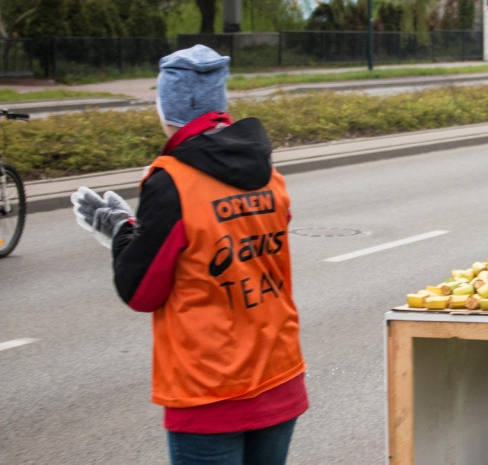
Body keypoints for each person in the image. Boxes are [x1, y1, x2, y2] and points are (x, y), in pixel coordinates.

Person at [70, 45, 309, 465]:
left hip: (209, 392)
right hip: (280, 374)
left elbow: (141, 290)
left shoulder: (172, 183)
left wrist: (119, 228)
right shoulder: (268, 173)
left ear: (167, 108)